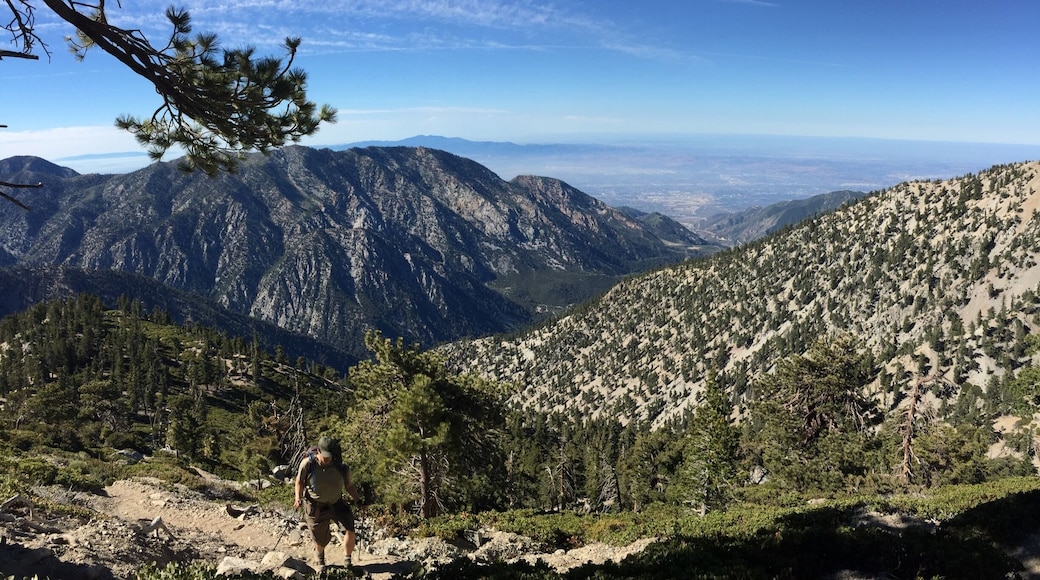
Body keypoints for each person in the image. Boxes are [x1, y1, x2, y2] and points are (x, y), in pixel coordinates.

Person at [294, 435, 361, 568]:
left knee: (350, 529)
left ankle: (347, 561)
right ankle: (320, 559)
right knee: (320, 539)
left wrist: (357, 500)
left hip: (337, 503)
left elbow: (349, 486)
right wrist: (298, 498)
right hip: (315, 506)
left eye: (329, 456)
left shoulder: (341, 467)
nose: (327, 459)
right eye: (325, 456)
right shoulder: (308, 464)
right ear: (318, 451)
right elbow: (299, 481)